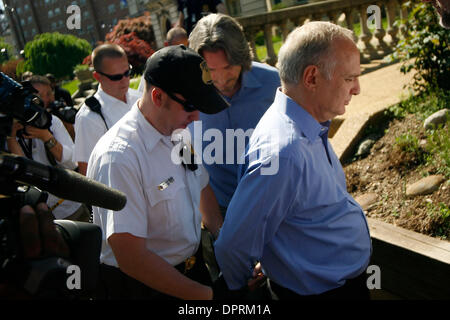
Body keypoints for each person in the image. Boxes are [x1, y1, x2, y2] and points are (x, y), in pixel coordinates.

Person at [214, 21, 372, 300]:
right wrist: (244, 293)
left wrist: (282, 257)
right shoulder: (284, 152)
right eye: (349, 78)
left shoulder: (305, 124)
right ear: (311, 78)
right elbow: (233, 246)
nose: (357, 88)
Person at [87, 45, 227, 300]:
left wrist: (229, 246)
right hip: (144, 286)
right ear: (158, 97)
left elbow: (202, 187)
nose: (196, 118)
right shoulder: (119, 158)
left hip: (190, 273)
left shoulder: (176, 131)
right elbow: (131, 258)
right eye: (191, 106)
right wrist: (209, 297)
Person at [188, 13, 280, 213]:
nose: (220, 79)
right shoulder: (188, 95)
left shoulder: (274, 84)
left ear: (242, 57)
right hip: (221, 210)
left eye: (228, 67)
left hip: (275, 204)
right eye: (211, 69)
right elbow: (186, 159)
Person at [6, 76, 90, 222]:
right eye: (41, 95)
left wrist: (45, 136)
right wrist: (11, 137)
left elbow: (71, 163)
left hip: (69, 208)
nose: (47, 100)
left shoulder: (52, 122)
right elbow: (23, 173)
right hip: (38, 215)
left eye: (49, 94)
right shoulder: (10, 130)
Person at [74, 43, 140, 176]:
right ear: (97, 77)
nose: (124, 80)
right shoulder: (89, 117)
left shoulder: (139, 99)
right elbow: (87, 170)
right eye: (116, 77)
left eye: (127, 73)